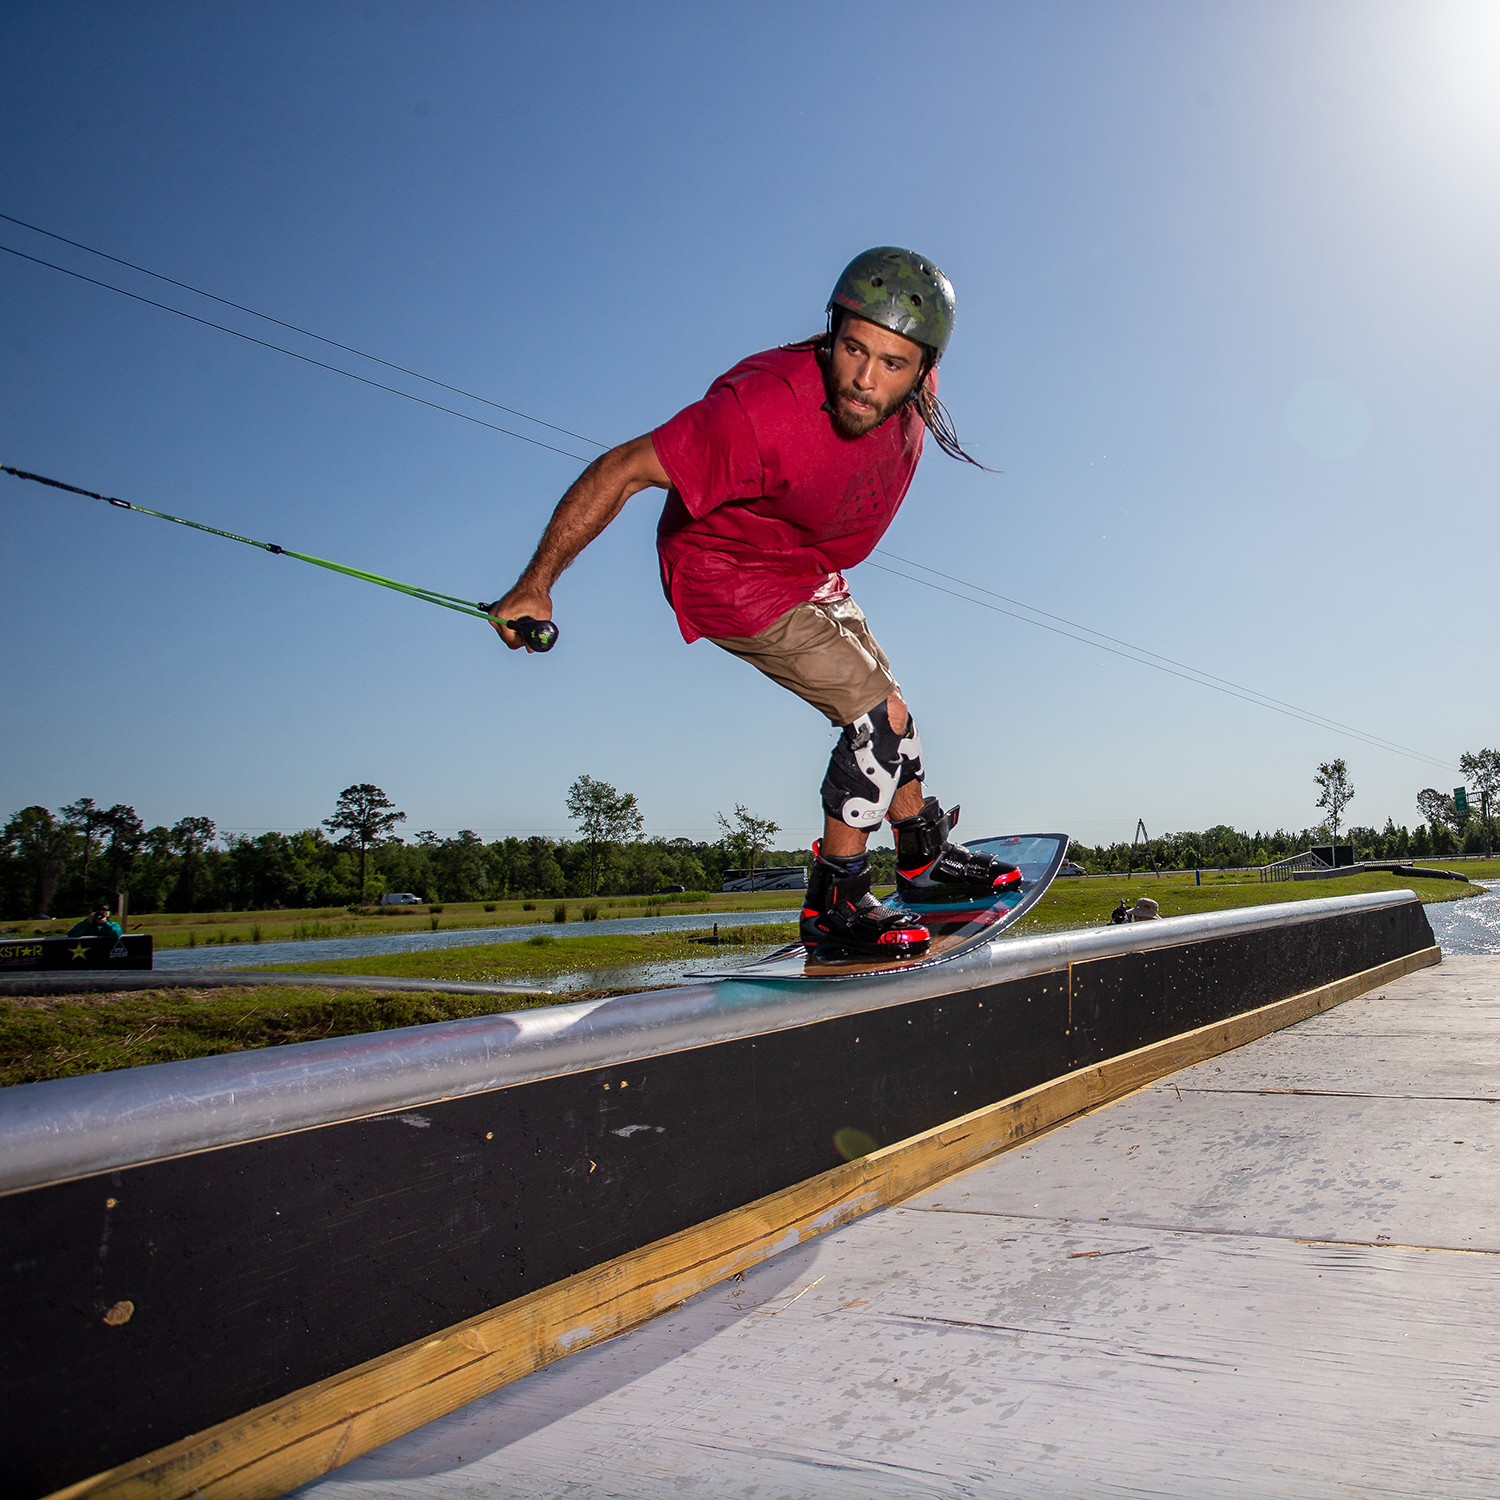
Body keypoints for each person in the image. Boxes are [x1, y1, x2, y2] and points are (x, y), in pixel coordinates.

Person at [488, 248, 1019, 957]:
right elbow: (622, 469)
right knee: (874, 719)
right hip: (726, 571)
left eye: (892, 364)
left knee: (894, 713)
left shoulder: (914, 388)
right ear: (831, 332)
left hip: (804, 561)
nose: (864, 380)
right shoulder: (758, 411)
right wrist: (538, 582)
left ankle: (922, 861)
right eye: (852, 349)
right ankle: (836, 903)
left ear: (925, 370)